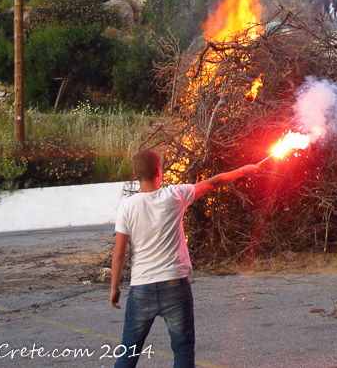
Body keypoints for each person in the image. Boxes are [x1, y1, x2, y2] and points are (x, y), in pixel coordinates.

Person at [110, 149, 259, 368]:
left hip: (141, 289)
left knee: (129, 351)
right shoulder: (174, 196)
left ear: (135, 174)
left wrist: (115, 287)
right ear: (159, 171)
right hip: (174, 287)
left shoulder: (127, 206)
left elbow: (119, 253)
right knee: (183, 350)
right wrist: (242, 171)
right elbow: (214, 182)